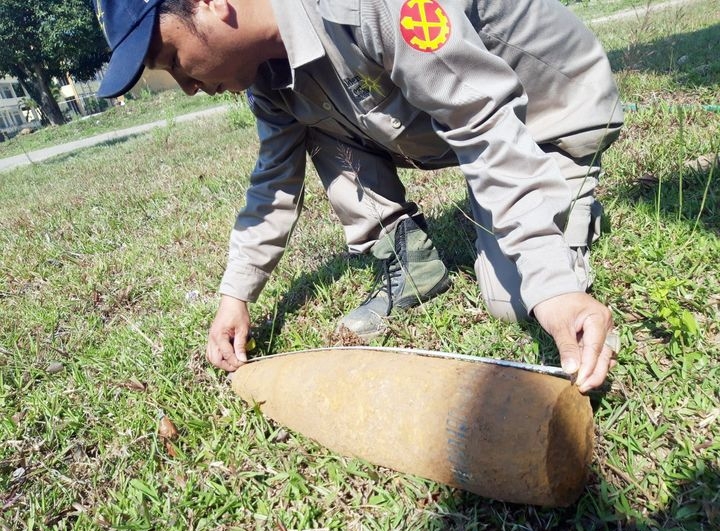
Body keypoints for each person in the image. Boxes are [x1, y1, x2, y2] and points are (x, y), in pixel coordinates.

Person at [95, 0, 623, 392]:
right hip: (455, 122)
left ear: (211, 4)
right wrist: (236, 298)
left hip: (548, 116)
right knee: (310, 125)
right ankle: (410, 260)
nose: (187, 87)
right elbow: (274, 179)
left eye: (173, 58)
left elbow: (482, 123)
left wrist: (554, 287)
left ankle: (567, 188)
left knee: (514, 302)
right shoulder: (269, 76)